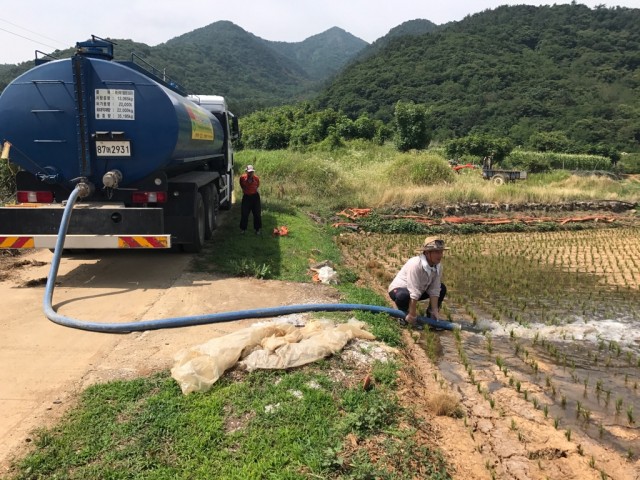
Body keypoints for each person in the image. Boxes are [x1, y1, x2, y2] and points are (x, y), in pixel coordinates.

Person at [388, 236, 448, 328]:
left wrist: (434, 310)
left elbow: (435, 289)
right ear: (427, 253)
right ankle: (403, 315)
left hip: (419, 290)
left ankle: (431, 315)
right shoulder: (415, 264)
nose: (440, 255)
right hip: (401, 290)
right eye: (437, 252)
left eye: (441, 252)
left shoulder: (438, 266)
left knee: (441, 288)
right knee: (403, 296)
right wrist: (412, 314)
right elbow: (413, 290)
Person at [239, 164, 262, 235]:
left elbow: (257, 185)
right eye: (249, 172)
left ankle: (257, 230)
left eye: (252, 172)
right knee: (244, 213)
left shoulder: (256, 179)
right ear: (246, 172)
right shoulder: (242, 178)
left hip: (255, 197)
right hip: (246, 197)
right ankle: (243, 229)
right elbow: (242, 185)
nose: (250, 173)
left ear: (253, 172)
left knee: (257, 214)